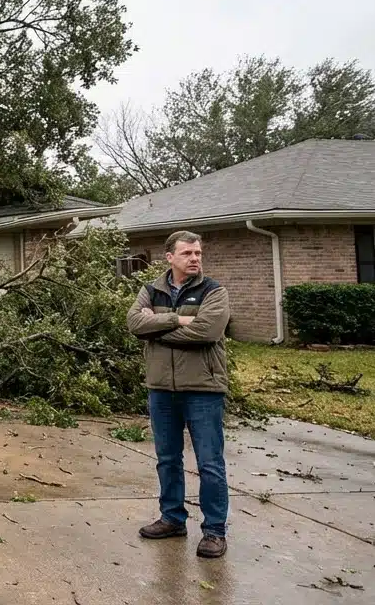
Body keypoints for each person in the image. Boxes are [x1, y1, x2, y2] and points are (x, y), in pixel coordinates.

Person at [126, 230, 232, 559]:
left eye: (198, 253)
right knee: (168, 459)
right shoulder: (150, 289)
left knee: (210, 463)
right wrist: (178, 319)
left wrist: (157, 328)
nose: (195, 259)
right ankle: (173, 518)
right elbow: (133, 323)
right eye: (187, 254)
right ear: (169, 257)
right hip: (161, 390)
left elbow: (207, 331)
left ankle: (214, 531)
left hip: (203, 390)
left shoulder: (214, 291)